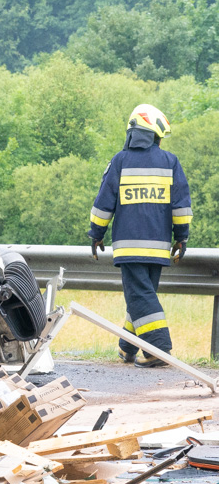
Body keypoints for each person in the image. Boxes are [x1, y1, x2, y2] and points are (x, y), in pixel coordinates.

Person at [88, 104, 192, 368]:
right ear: (156, 135)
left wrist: (96, 233)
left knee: (140, 296)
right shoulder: (171, 162)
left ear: (134, 132)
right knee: (142, 295)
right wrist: (182, 237)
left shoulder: (120, 161)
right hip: (158, 248)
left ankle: (158, 349)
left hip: (129, 247)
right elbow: (181, 206)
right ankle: (127, 349)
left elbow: (104, 202)